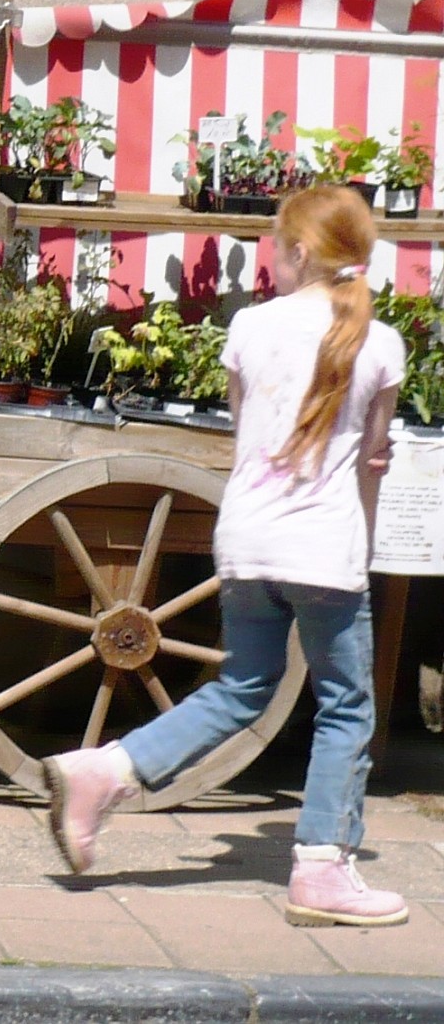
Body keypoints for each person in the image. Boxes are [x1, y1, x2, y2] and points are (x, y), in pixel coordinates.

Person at [43, 185, 407, 927]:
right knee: (345, 706)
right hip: (323, 548)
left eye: (277, 244)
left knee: (243, 687)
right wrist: (361, 549)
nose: (273, 258)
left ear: (300, 251)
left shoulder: (248, 326)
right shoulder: (381, 343)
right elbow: (373, 463)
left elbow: (249, 437)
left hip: (246, 538)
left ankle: (105, 769)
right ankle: (323, 868)